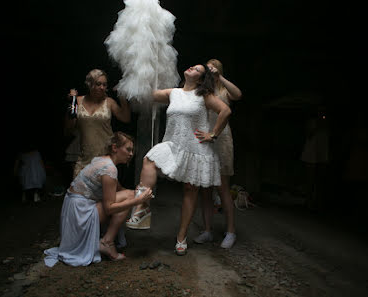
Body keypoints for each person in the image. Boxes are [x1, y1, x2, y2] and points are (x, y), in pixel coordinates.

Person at [125, 64, 232, 256]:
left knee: (190, 191)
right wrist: (140, 77)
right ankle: (142, 208)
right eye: (192, 66)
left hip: (196, 148)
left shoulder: (204, 95)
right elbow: (148, 95)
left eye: (197, 69)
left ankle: (181, 237)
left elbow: (225, 111)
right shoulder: (173, 92)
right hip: (173, 144)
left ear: (200, 79)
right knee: (149, 160)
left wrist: (213, 134)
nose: (192, 67)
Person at [44, 132, 153, 267]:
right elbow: (109, 207)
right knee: (129, 197)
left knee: (129, 194)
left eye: (132, 150)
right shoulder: (109, 169)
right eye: (128, 149)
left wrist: (136, 192)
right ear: (115, 148)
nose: (131, 154)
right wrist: (137, 200)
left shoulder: (103, 160)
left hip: (75, 209)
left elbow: (120, 189)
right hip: (80, 214)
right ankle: (107, 242)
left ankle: (105, 240)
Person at [193, 58, 242, 249]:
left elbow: (238, 95)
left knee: (222, 188)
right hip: (203, 137)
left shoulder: (223, 90)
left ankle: (231, 232)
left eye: (214, 68)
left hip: (221, 138)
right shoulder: (203, 90)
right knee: (205, 188)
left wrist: (219, 76)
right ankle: (207, 230)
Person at [65, 69, 131, 178]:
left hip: (105, 158)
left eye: (104, 85)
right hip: (84, 159)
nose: (102, 87)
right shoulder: (78, 101)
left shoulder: (109, 102)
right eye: (98, 84)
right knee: (80, 193)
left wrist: (122, 97)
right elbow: (68, 129)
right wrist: (70, 103)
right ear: (90, 84)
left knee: (104, 193)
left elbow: (125, 118)